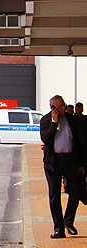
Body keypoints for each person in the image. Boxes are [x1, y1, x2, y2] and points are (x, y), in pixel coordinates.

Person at [41, 95, 85, 238]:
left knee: (76, 191)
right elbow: (46, 139)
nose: (64, 107)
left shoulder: (71, 119)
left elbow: (79, 143)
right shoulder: (46, 120)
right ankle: (58, 228)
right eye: (60, 106)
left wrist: (81, 164)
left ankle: (68, 222)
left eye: (64, 105)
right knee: (54, 195)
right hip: (53, 162)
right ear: (53, 108)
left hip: (69, 160)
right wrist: (54, 123)